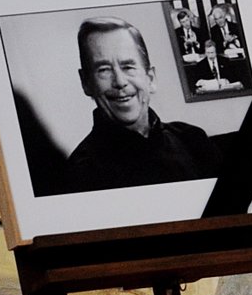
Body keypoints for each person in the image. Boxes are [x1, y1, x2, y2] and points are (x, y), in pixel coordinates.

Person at [66, 16, 223, 193]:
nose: (120, 82)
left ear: (150, 78)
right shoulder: (79, 173)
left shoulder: (193, 140)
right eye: (103, 70)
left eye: (128, 67)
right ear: (86, 83)